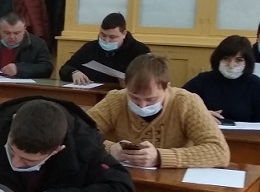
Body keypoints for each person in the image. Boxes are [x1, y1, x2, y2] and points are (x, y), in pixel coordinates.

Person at [0, 97, 136, 192]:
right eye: (11, 151)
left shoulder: (84, 145)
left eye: (29, 161)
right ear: (13, 123)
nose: (16, 163)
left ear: (58, 149)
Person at [88, 53, 230, 168]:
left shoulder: (186, 102)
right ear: (126, 85)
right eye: (134, 98)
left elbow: (219, 151)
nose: (142, 105)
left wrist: (159, 157)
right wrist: (110, 149)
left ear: (166, 87)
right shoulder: (116, 99)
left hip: (173, 182)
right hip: (125, 177)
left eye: (151, 99)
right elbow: (80, 134)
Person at [183, 35, 260, 124]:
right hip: (207, 129)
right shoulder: (202, 80)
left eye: (239, 60)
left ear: (247, 62)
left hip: (244, 132)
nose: (231, 65)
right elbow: (178, 101)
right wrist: (200, 114)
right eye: (226, 59)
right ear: (218, 59)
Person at [58, 12, 151, 85]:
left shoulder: (140, 51)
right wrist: (73, 72)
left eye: (112, 37)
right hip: (92, 93)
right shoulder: (90, 48)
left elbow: (149, 79)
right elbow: (65, 68)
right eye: (103, 35)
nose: (106, 40)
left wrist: (132, 83)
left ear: (124, 34)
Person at [0, 11, 53, 79]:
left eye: (16, 33)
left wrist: (19, 69)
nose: (12, 37)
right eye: (7, 33)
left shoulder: (37, 44)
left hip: (22, 86)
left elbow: (47, 68)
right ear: (0, 29)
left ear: (24, 30)